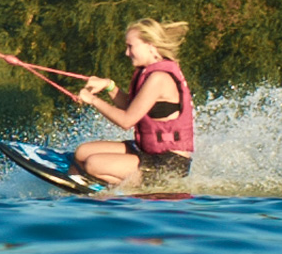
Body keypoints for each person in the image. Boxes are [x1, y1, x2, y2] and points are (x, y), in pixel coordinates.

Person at [74, 18, 194, 187]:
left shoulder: (159, 78)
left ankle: (133, 188)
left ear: (150, 45)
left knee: (94, 164)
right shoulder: (149, 73)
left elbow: (126, 120)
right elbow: (131, 108)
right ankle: (105, 179)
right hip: (149, 151)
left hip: (169, 163)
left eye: (130, 47)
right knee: (82, 152)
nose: (126, 53)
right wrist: (109, 86)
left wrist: (93, 100)